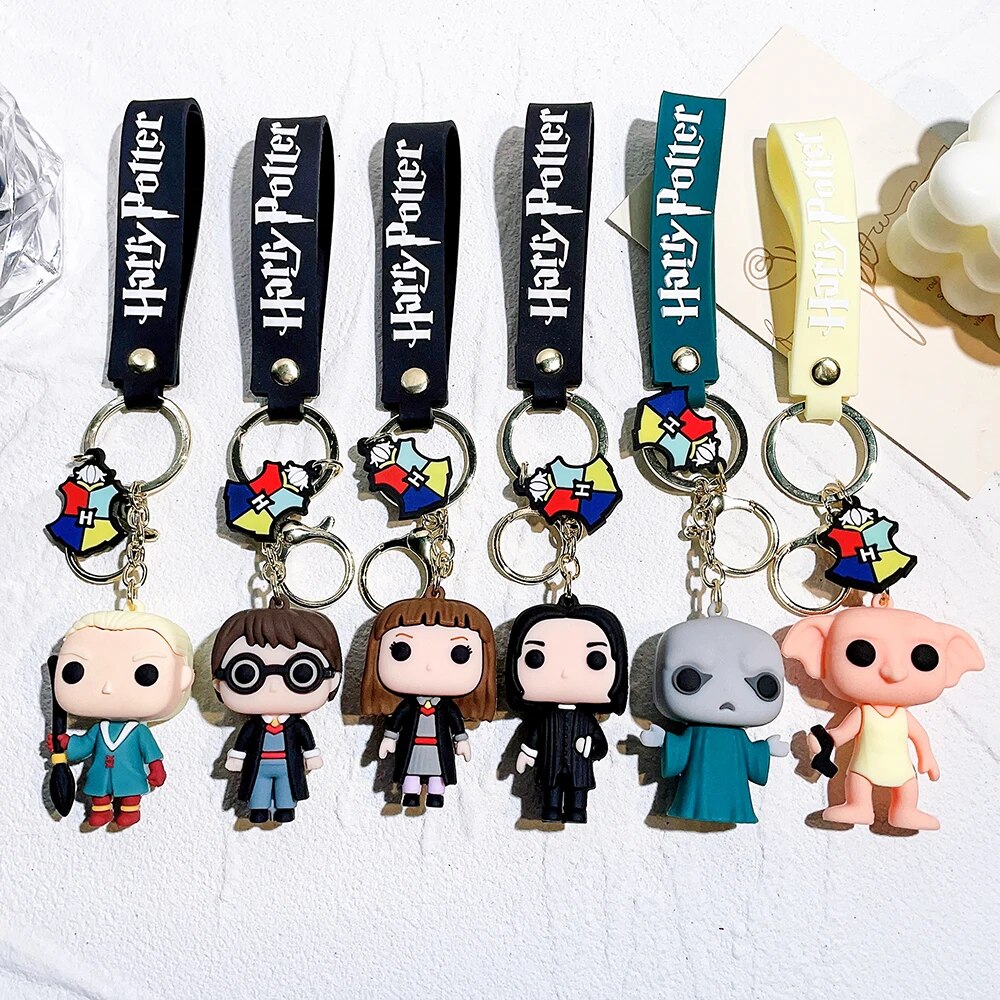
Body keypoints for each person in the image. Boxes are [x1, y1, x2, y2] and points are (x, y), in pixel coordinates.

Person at [48, 608, 194, 829]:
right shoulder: (99, 729)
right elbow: (85, 745)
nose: (107, 687)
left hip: (128, 773)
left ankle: (130, 811)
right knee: (98, 790)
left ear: (184, 677)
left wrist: (156, 767)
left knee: (130, 792)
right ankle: (101, 811)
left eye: (145, 673)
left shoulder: (139, 731)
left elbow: (151, 752)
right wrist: (67, 744)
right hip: (102, 772)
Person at [640, 614, 788, 825]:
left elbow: (750, 754)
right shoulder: (699, 734)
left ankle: (730, 811)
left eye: (763, 684)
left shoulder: (736, 738)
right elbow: (681, 750)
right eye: (690, 678)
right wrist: (664, 741)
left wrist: (766, 748)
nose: (728, 694)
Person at [360, 591, 495, 809]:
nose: (430, 667)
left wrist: (461, 739)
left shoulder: (447, 707)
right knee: (410, 771)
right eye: (401, 651)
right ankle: (410, 794)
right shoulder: (408, 706)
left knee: (438, 774)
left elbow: (456, 722)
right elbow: (397, 720)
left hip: (438, 748)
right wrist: (390, 737)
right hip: (412, 746)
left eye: (459, 654)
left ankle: (435, 795)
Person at [212, 606, 342, 824]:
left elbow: (306, 740)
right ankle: (258, 809)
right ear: (218, 682)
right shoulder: (253, 725)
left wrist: (311, 755)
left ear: (333, 680)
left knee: (286, 788)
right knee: (258, 787)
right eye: (245, 674)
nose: (273, 686)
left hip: (287, 765)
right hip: (259, 765)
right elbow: (243, 741)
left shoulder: (296, 725)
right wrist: (237, 756)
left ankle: (285, 808)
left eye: (302, 673)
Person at [506, 596, 628, 824]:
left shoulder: (587, 720)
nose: (565, 673)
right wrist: (528, 753)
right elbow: (535, 736)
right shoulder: (546, 717)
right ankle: (550, 810)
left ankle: (577, 811)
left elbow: (601, 746)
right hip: (550, 766)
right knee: (550, 792)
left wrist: (591, 747)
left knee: (578, 793)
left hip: (579, 767)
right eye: (535, 658)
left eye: (595, 659)